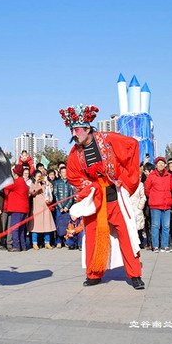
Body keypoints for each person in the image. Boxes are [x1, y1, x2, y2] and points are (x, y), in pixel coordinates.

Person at [61, 104, 144, 290]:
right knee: (91, 235)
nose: (74, 134)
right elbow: (73, 175)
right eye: (72, 130)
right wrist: (90, 186)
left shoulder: (108, 139)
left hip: (115, 197)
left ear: (88, 128)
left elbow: (132, 146)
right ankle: (94, 273)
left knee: (126, 235)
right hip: (96, 201)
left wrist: (122, 179)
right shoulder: (75, 153)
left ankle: (135, 274)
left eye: (77, 129)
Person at [144, 157, 172, 253]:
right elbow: (147, 190)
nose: (160, 165)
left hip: (166, 205)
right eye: (158, 163)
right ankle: (155, 245)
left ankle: (165, 245)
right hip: (155, 205)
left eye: (162, 163)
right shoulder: (151, 176)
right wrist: (153, 196)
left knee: (166, 226)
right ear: (156, 165)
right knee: (155, 226)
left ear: (165, 165)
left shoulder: (169, 175)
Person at [4, 164, 29, 252]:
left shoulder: (16, 182)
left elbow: (5, 186)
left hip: (17, 209)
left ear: (16, 174)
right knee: (21, 229)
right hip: (24, 209)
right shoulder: (24, 183)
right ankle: (23, 245)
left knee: (14, 228)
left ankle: (16, 246)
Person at [29, 170, 55, 249]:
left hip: (45, 208)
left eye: (41, 176)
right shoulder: (33, 184)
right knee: (35, 227)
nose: (39, 178)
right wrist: (37, 183)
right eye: (38, 176)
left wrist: (46, 181)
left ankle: (47, 242)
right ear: (34, 177)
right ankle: (34, 242)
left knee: (47, 226)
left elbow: (51, 190)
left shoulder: (45, 184)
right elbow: (32, 193)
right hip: (37, 208)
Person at [54, 167, 74, 249]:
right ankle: (58, 241)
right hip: (59, 208)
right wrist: (60, 207)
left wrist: (67, 206)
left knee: (68, 225)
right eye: (63, 172)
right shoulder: (57, 182)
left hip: (67, 208)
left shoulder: (70, 183)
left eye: (66, 172)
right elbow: (55, 195)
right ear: (60, 173)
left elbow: (71, 196)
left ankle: (67, 241)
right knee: (58, 224)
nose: (64, 174)